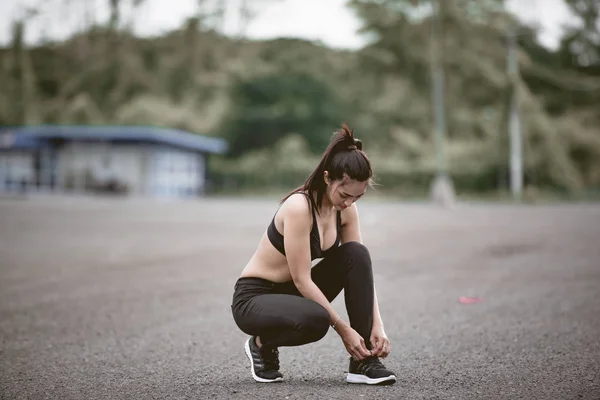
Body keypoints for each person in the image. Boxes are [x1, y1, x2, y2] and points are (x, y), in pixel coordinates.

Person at [230, 124, 396, 385]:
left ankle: (362, 361)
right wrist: (344, 330)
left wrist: (378, 325)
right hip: (255, 299)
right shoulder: (299, 207)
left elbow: (362, 271)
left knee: (357, 253)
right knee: (317, 320)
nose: (349, 203)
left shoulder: (346, 211)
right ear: (328, 177)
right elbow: (302, 279)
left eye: (358, 197)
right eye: (344, 194)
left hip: (292, 294)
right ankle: (262, 343)